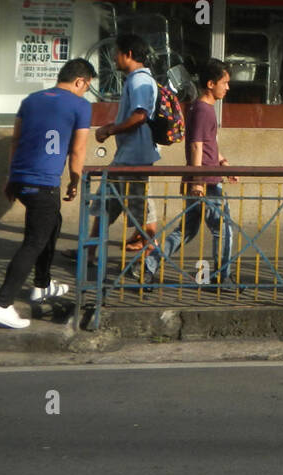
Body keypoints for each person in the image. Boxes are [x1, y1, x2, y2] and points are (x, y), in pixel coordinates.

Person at [0, 59, 95, 329]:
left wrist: (11, 177)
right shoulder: (80, 105)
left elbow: (15, 140)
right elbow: (78, 149)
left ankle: (41, 284)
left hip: (22, 179)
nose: (85, 92)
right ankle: (2, 304)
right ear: (79, 81)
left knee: (52, 224)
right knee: (34, 241)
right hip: (44, 182)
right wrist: (75, 179)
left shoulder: (30, 100)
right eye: (86, 87)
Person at [143, 59, 238, 286]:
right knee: (224, 229)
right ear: (210, 84)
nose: (227, 87)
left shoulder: (199, 107)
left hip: (203, 177)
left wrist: (222, 161)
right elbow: (196, 145)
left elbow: (208, 143)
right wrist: (197, 181)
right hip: (205, 181)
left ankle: (149, 266)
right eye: (224, 83)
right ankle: (223, 277)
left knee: (186, 231)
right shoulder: (204, 110)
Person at [81, 33, 159, 271]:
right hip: (126, 156)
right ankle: (89, 254)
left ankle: (150, 257)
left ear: (129, 54)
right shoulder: (135, 80)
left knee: (139, 211)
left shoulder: (139, 81)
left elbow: (140, 115)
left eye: (117, 52)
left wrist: (110, 129)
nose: (114, 57)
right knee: (105, 204)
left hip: (135, 158)